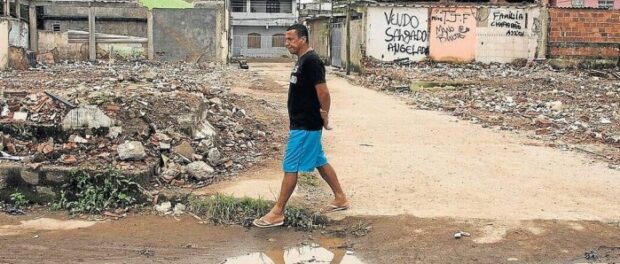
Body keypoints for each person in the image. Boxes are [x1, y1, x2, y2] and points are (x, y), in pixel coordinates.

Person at [253, 24, 349, 228]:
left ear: (303, 39)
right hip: (302, 123)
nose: (287, 43)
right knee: (319, 160)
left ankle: (278, 211)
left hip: (306, 125)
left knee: (291, 165)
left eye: (290, 39)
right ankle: (340, 198)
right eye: (286, 39)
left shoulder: (312, 61)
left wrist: (324, 115)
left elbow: (323, 92)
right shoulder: (302, 60)